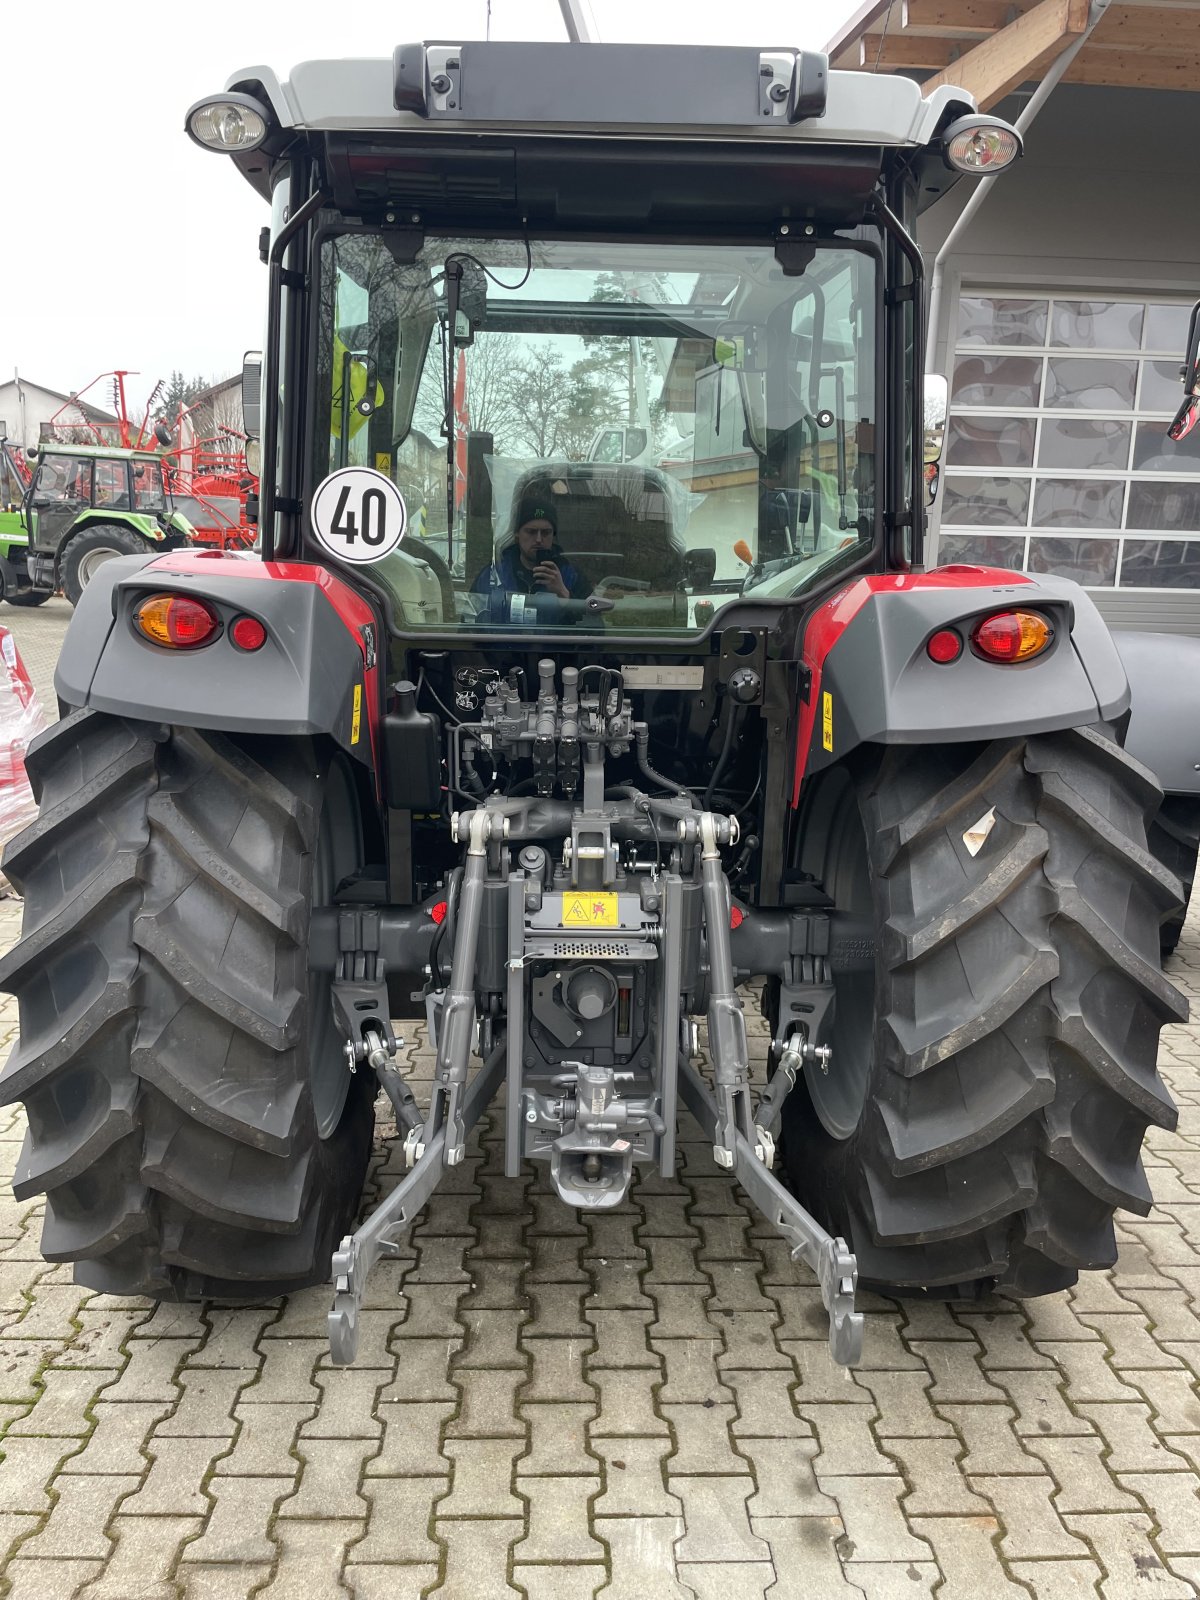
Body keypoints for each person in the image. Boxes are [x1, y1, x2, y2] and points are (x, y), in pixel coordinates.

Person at [471, 498, 590, 605]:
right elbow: (470, 622)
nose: (538, 540)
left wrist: (564, 594)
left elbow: (594, 625)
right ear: (517, 533)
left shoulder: (570, 575)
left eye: (545, 533)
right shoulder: (495, 574)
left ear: (553, 535)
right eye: (531, 532)